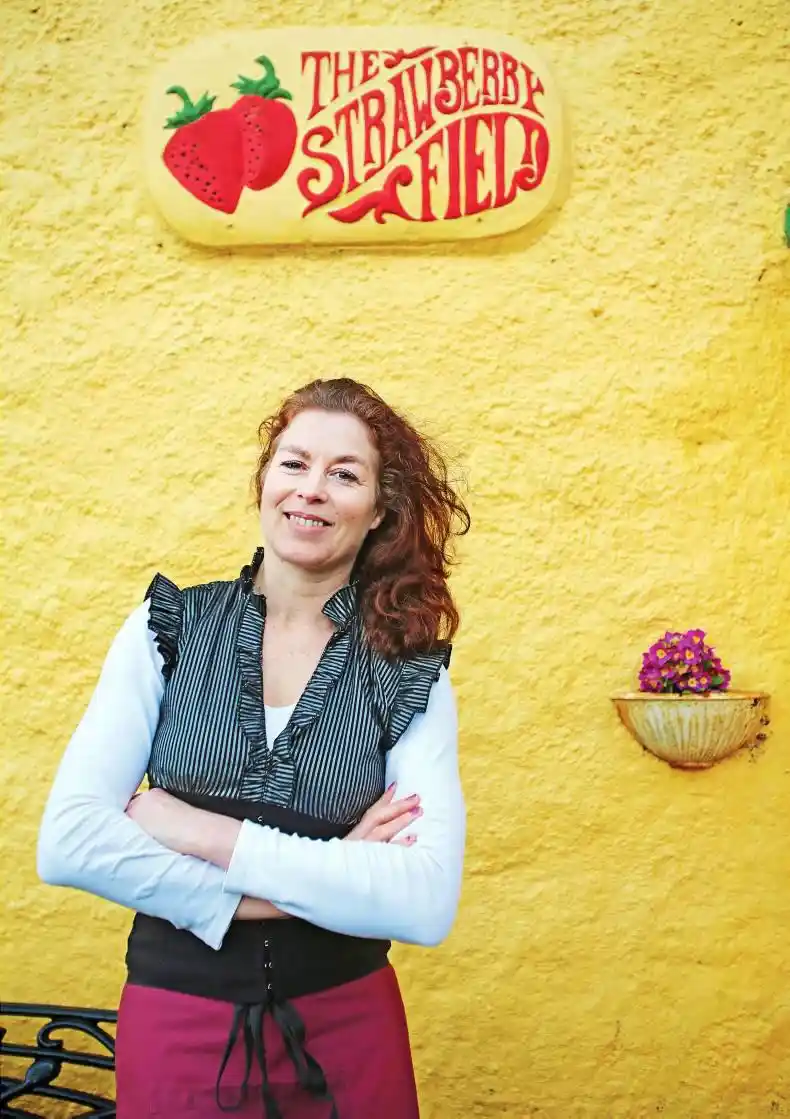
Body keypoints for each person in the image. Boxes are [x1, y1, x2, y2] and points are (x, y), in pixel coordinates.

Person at [37, 377, 470, 1119]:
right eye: (294, 463)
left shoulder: (406, 668)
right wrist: (315, 883)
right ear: (264, 480)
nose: (312, 490)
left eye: (345, 474)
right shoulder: (166, 628)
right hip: (176, 1024)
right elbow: (70, 842)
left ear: (378, 511)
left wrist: (203, 832)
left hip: (349, 1033)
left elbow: (424, 899)